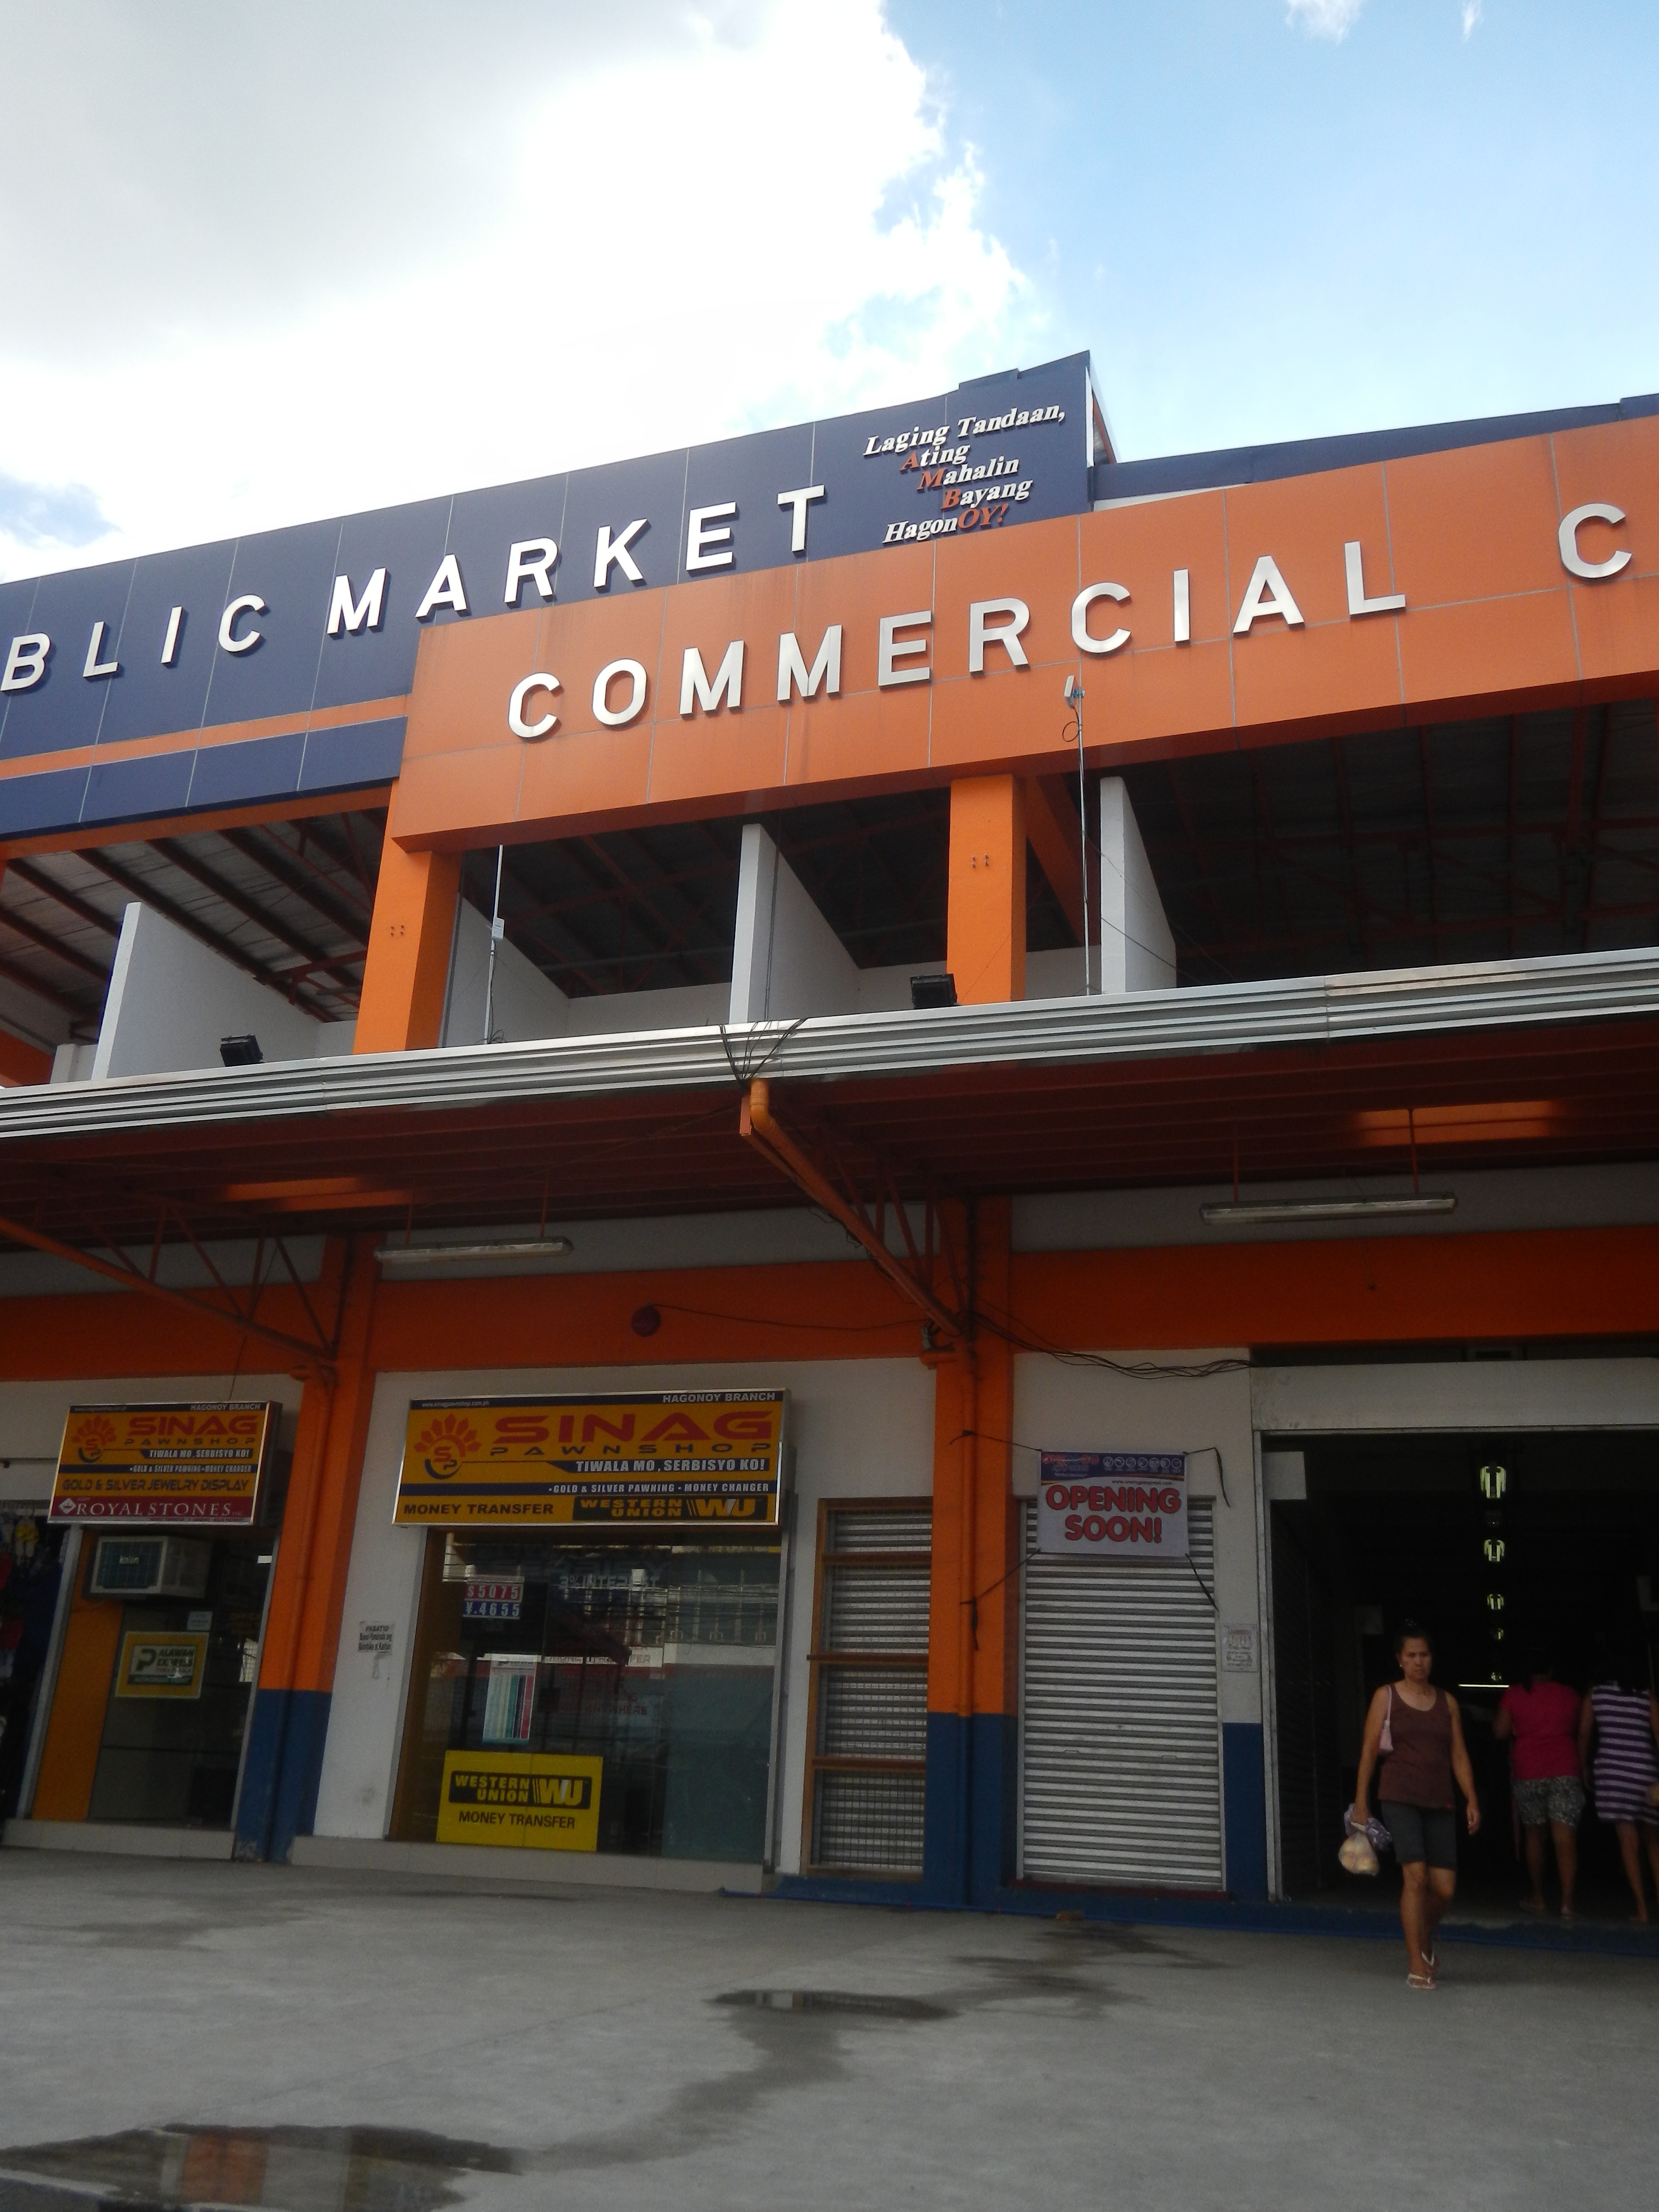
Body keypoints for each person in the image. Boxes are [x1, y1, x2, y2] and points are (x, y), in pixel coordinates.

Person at [1353, 1622, 1481, 1989]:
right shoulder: (1386, 1697)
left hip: (1440, 1800)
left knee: (1444, 1889)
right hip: (1399, 1796)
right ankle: (1416, 1963)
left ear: (1432, 1659)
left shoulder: (1447, 1702)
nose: (1419, 1662)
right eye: (1411, 1656)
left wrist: (1471, 1798)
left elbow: (1458, 1754)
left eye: (1424, 1655)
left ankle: (1421, 1935)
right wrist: (1361, 1801)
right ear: (1400, 1660)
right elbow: (1368, 1751)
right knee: (1416, 1878)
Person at [1494, 1650, 1584, 1917]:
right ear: (1551, 1670)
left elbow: (1499, 1731)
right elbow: (1581, 1727)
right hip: (1565, 1769)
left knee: (1534, 1836)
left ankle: (1538, 1897)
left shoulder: (1514, 1694)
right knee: (1564, 1838)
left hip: (1528, 1771)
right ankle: (1568, 1903)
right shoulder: (1569, 1695)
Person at [1578, 1640, 1659, 1923]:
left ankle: (1641, 1909)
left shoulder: (1596, 1695)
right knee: (1654, 1841)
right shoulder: (1646, 1697)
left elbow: (1585, 1734)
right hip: (1646, 1773)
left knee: (1628, 1841)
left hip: (1613, 1773)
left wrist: (1584, 1765)